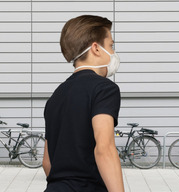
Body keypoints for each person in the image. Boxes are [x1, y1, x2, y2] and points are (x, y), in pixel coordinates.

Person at [42, 15, 124, 192]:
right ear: (96, 48)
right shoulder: (104, 89)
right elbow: (105, 149)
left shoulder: (56, 96)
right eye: (111, 45)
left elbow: (47, 162)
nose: (113, 52)